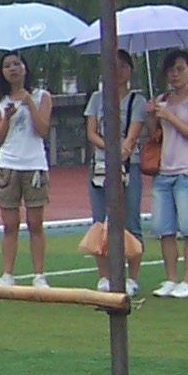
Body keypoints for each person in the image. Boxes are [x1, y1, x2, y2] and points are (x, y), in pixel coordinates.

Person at [83, 48, 148, 293]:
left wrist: (123, 149)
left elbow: (133, 134)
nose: (118, 71)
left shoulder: (137, 101)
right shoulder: (96, 99)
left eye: (123, 66)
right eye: (113, 66)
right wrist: (109, 148)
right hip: (101, 166)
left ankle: (132, 277)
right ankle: (104, 275)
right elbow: (92, 133)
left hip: (127, 165)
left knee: (130, 220)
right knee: (100, 221)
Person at [148, 48, 188, 298]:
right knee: (165, 229)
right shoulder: (163, 99)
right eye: (171, 70)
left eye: (180, 69)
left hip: (187, 171)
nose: (175, 75)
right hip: (164, 170)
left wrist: (170, 116)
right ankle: (171, 278)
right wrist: (153, 114)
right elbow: (154, 134)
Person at [0, 50, 52, 287]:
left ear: (25, 68)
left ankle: (39, 274)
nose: (12, 69)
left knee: (35, 223)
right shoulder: (0, 102)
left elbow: (43, 129)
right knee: (10, 224)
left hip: (34, 164)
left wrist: (29, 103)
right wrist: (7, 117)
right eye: (7, 66)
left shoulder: (41, 96)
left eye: (16, 64)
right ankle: (7, 274)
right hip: (8, 164)